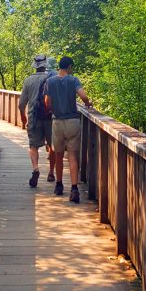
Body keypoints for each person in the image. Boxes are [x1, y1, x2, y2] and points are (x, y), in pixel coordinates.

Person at [45, 55, 91, 203]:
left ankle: (59, 186)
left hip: (57, 121)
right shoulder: (73, 80)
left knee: (58, 154)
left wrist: (54, 109)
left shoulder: (50, 81)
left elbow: (47, 103)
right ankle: (74, 189)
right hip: (73, 121)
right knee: (72, 155)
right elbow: (83, 96)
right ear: (69, 66)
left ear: (59, 66)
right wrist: (88, 103)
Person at [18, 54, 57, 188]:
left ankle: (35, 169)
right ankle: (51, 172)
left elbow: (21, 103)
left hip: (34, 118)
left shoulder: (28, 81)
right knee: (53, 146)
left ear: (34, 66)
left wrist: (23, 117)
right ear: (45, 65)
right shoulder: (52, 78)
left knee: (33, 146)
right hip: (50, 118)